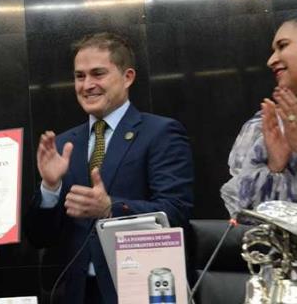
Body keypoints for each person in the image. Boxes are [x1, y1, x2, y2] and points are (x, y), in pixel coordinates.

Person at [25, 32, 194, 304]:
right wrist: (50, 188)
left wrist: (110, 208)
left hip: (138, 287)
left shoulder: (160, 133)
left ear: (128, 77)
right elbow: (40, 237)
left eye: (98, 74)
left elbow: (176, 213)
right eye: (80, 76)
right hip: (77, 293)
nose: (87, 85)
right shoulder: (65, 143)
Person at [222, 19, 297, 215]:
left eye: (283, 46)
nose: (271, 60)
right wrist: (275, 168)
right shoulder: (262, 127)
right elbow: (244, 218)